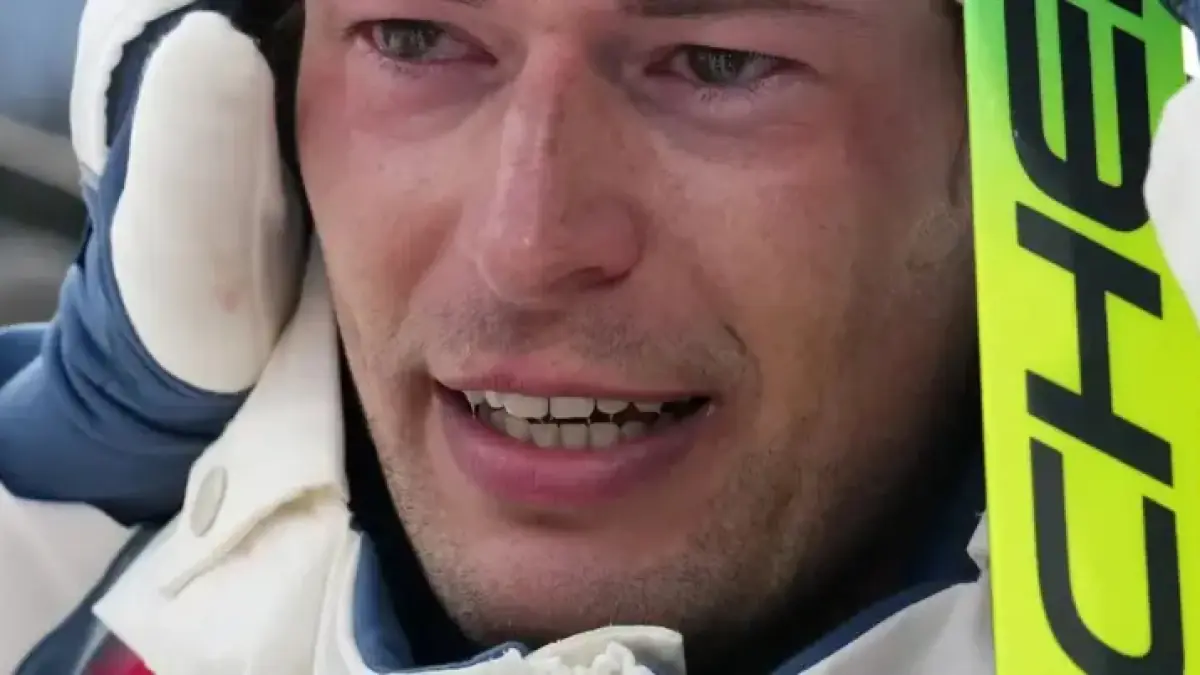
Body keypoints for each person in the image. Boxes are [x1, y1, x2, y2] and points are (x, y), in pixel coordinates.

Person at [0, 0, 1197, 673]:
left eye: (722, 63)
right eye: (416, 39)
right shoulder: (60, 597)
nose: (528, 244)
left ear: (1063, 138)